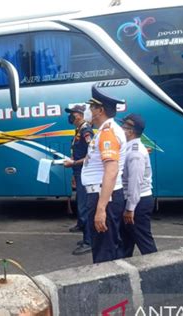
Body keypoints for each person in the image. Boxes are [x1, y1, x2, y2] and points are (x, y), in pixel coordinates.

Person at [81, 85, 127, 263]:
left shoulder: (108, 133)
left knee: (104, 253)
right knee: (106, 248)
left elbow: (111, 170)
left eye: (92, 107)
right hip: (103, 195)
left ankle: (108, 290)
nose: (89, 110)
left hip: (103, 197)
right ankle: (113, 289)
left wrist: (100, 209)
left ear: (100, 110)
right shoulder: (105, 131)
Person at [120, 114, 158, 257]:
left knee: (144, 242)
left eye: (123, 127)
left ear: (130, 131)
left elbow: (135, 182)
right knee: (125, 242)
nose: (121, 129)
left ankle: (158, 270)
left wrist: (130, 209)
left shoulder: (135, 153)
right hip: (135, 201)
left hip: (138, 203)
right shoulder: (129, 148)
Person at [63, 104, 94, 255]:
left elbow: (92, 155)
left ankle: (89, 242)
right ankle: (86, 237)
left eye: (72, 114)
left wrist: (74, 163)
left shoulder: (86, 131)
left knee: (85, 208)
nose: (71, 116)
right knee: (81, 206)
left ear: (80, 115)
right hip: (79, 173)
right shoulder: (79, 130)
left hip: (85, 174)